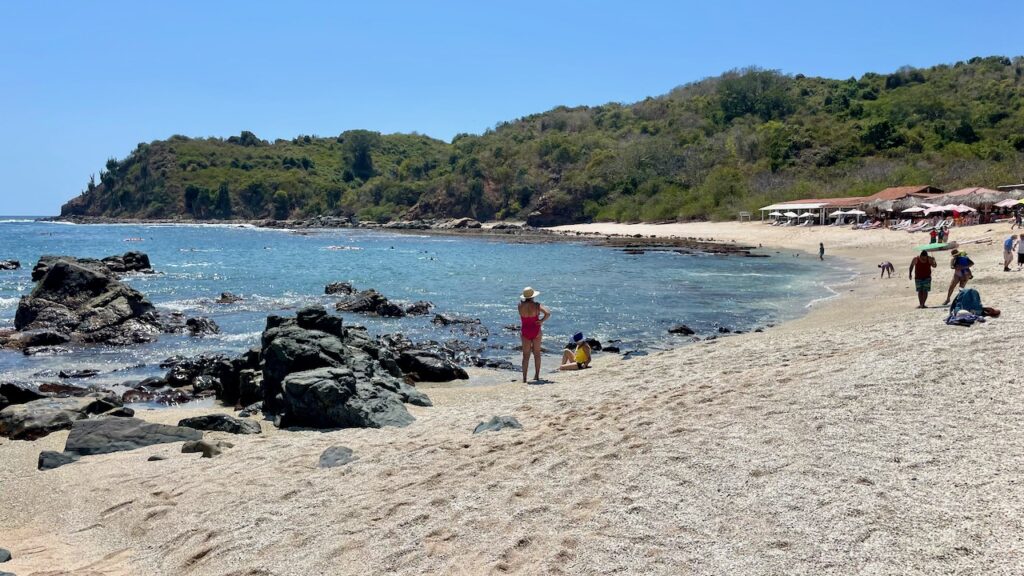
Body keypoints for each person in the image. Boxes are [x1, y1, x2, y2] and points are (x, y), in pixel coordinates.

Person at [518, 287, 550, 383]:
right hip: (536, 330)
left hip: (525, 331)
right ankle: (536, 376)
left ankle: (524, 378)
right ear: (533, 296)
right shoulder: (536, 305)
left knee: (526, 355)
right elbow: (548, 313)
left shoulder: (520, 305)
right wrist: (541, 321)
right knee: (537, 354)